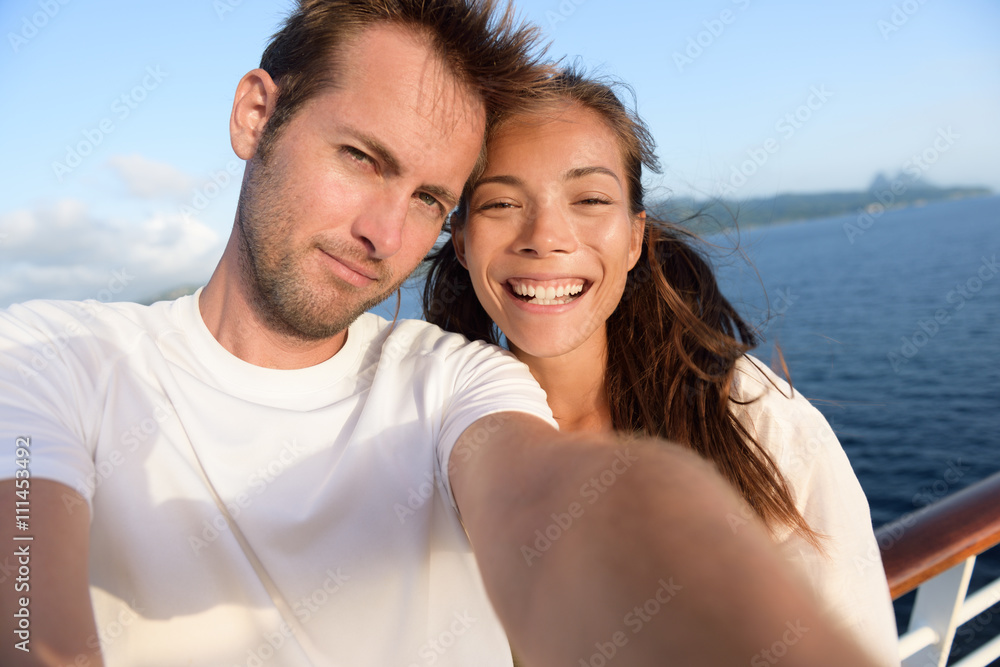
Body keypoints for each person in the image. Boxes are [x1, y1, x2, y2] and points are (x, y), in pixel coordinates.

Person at [0, 2, 888, 666]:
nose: (385, 234)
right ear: (255, 115)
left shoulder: (450, 381)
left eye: (427, 197)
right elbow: (28, 601)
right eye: (362, 158)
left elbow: (554, 500)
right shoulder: (53, 357)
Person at [423, 68, 900, 666]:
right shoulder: (422, 432)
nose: (545, 237)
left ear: (633, 237)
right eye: (500, 202)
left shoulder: (753, 421)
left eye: (590, 199)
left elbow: (856, 627)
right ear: (462, 241)